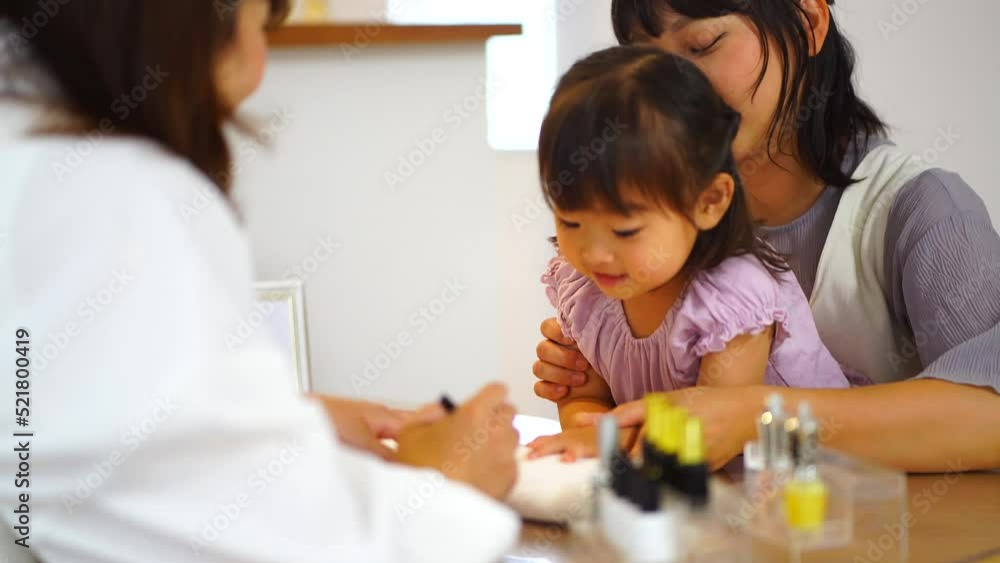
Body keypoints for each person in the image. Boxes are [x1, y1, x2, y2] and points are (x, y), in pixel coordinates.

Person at [0, 1, 521, 561]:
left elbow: (90, 433)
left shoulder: (43, 164)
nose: (258, 67)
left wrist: (274, 420)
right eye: (256, 22)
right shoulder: (111, 199)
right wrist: (444, 483)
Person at [532, 0, 1000, 472]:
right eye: (646, 59)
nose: (674, 87)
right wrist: (594, 390)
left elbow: (992, 417)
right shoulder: (640, 235)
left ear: (808, 20)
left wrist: (753, 416)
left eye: (702, 44)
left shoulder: (923, 209)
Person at [523, 46, 862, 462]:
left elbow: (711, 439)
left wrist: (609, 442)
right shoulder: (587, 287)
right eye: (570, 222)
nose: (595, 254)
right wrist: (589, 430)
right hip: (675, 482)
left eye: (626, 231)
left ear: (709, 202)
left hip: (806, 477)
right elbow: (584, 397)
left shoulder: (732, 297)